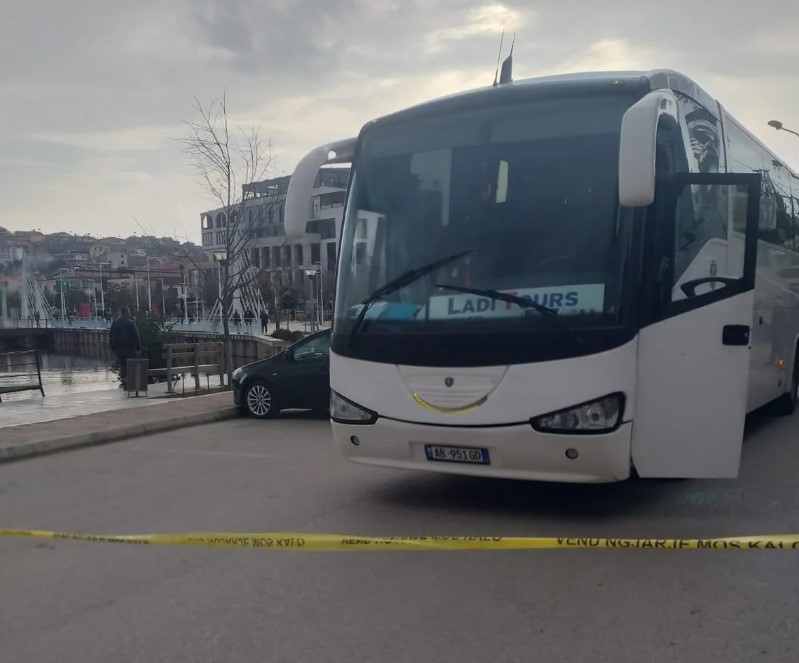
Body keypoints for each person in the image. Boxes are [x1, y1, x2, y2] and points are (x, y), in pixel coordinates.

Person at [109, 306, 141, 389]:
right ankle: (131, 383)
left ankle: (125, 381)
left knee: (123, 366)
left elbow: (111, 336)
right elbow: (136, 336)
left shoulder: (115, 323)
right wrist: (138, 348)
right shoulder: (131, 322)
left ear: (121, 313)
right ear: (128, 312)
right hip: (130, 349)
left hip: (119, 350)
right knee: (132, 366)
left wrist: (113, 348)